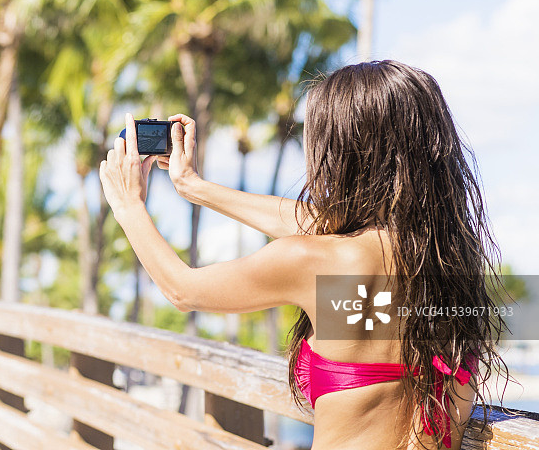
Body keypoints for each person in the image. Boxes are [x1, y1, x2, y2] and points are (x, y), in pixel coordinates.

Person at [99, 60, 507, 450]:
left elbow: (182, 290)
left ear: (347, 152)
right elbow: (318, 222)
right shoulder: (444, 258)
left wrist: (129, 206)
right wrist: (193, 186)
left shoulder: (317, 260)